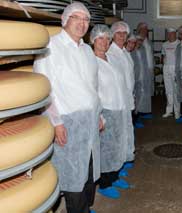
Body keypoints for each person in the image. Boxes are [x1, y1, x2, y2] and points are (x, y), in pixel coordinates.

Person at [33, 2, 103, 213]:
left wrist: (99, 115)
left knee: (89, 168)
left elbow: (94, 87)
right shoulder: (51, 48)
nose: (82, 23)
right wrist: (56, 122)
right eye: (77, 18)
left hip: (89, 120)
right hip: (68, 121)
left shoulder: (87, 52)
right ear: (65, 20)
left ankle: (87, 207)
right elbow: (45, 89)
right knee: (73, 174)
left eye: (86, 20)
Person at [90, 25, 134, 199]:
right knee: (106, 148)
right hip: (105, 110)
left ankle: (114, 176)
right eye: (100, 38)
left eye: (107, 39)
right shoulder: (92, 62)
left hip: (119, 108)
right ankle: (105, 183)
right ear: (93, 40)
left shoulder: (111, 59)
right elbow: (92, 90)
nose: (104, 42)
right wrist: (99, 115)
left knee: (117, 145)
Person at [106, 21, 135, 172]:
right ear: (112, 35)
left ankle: (122, 162)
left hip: (127, 99)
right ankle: (113, 169)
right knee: (116, 137)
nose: (122, 36)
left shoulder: (125, 52)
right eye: (118, 33)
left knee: (125, 133)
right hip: (116, 103)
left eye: (124, 33)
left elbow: (129, 78)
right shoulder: (109, 54)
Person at [131, 35, 152, 123]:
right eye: (138, 40)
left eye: (141, 41)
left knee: (140, 97)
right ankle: (134, 120)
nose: (140, 42)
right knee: (133, 99)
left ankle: (138, 116)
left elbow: (145, 63)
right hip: (134, 78)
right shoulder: (131, 51)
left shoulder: (142, 50)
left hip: (142, 77)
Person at [161, 28, 180, 118]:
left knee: (175, 91)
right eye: (168, 34)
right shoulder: (164, 44)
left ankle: (177, 112)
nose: (170, 36)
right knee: (168, 90)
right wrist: (164, 65)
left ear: (175, 34)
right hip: (166, 68)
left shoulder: (179, 43)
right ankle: (169, 110)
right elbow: (163, 56)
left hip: (175, 68)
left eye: (172, 34)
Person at [137, 22, 155, 106]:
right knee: (141, 89)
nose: (145, 31)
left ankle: (146, 109)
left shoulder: (149, 42)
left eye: (146, 30)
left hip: (150, 69)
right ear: (139, 30)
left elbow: (151, 55)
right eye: (143, 29)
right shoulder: (137, 41)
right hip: (141, 69)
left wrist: (153, 67)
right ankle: (139, 110)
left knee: (148, 89)